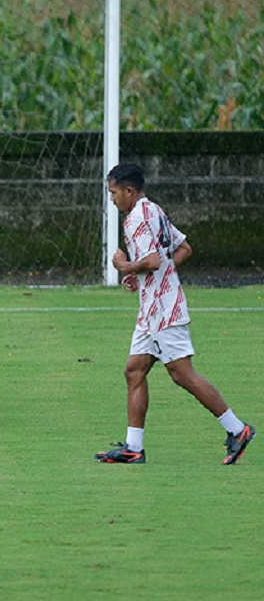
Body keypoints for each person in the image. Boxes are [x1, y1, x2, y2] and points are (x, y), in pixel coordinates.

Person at [94, 163, 254, 465]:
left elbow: (153, 260)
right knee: (134, 371)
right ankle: (133, 447)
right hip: (152, 309)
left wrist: (126, 266)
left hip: (163, 311)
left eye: (113, 192)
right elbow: (184, 249)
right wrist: (146, 276)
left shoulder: (136, 219)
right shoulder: (154, 210)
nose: (112, 198)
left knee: (182, 375)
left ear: (128, 191)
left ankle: (238, 429)